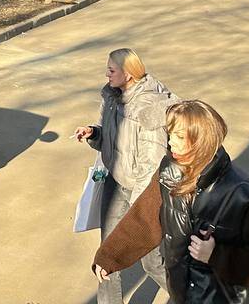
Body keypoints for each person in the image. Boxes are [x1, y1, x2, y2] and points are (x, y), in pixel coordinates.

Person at [94, 100, 249, 303]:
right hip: (184, 293)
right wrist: (110, 256)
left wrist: (216, 255)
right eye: (170, 134)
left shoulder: (243, 195)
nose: (171, 143)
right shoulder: (169, 172)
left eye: (179, 136)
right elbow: (144, 219)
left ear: (202, 140)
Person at [74, 49, 174, 304]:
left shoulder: (148, 108)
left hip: (142, 194)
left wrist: (139, 213)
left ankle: (196, 296)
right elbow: (109, 137)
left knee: (152, 262)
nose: (106, 74)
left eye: (111, 70)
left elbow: (151, 166)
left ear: (128, 74)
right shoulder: (111, 96)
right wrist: (94, 133)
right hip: (115, 182)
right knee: (106, 255)